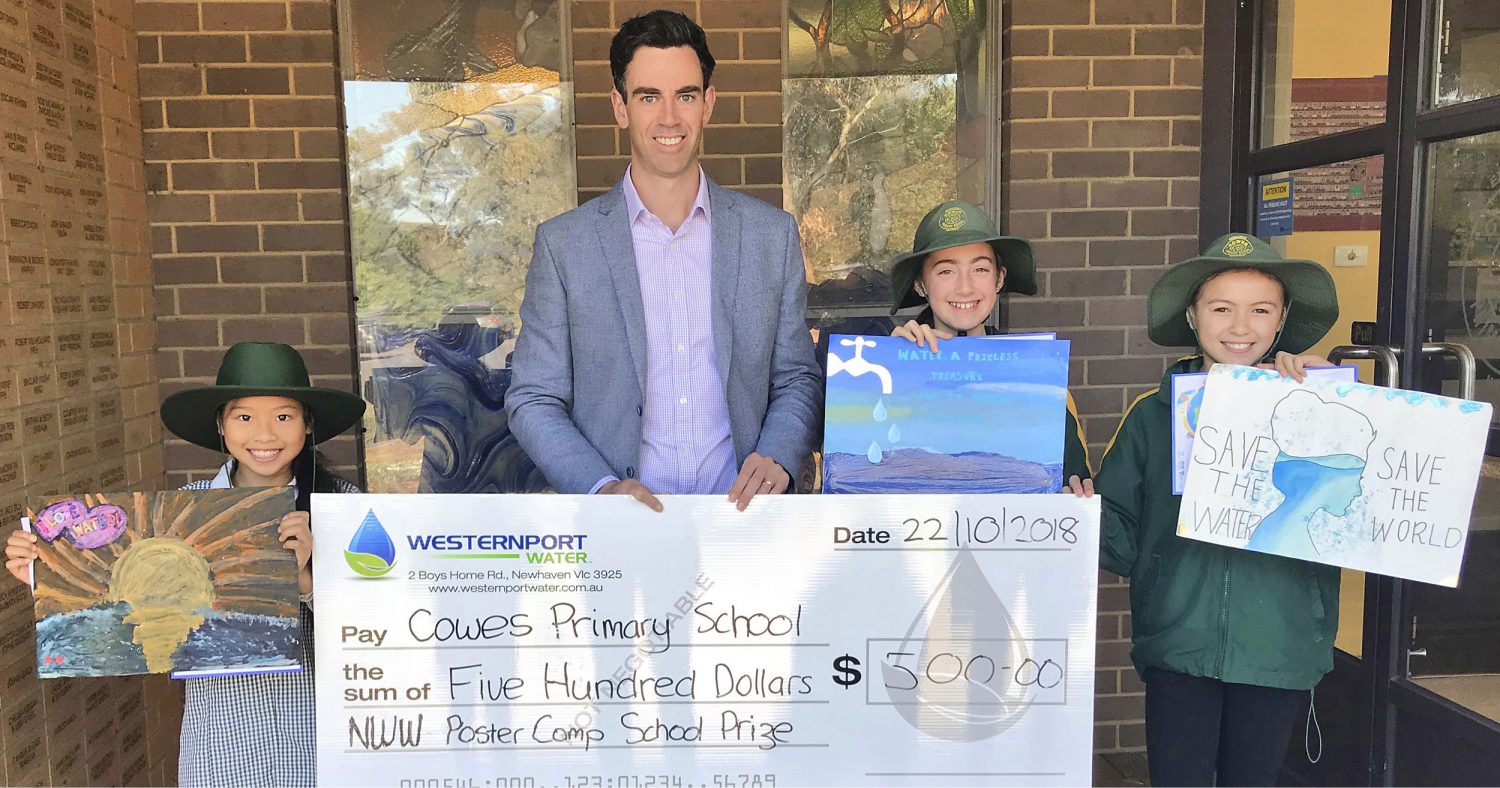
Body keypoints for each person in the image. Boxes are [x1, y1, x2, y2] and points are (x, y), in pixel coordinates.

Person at [7, 342, 367, 786]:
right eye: (244, 417)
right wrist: (45, 572)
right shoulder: (180, 517)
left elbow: (379, 632)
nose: (264, 435)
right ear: (221, 425)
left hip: (325, 744)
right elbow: (115, 599)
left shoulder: (343, 507)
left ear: (307, 424)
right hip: (223, 748)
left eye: (283, 416)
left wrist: (306, 580)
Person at [505, 10, 822, 511]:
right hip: (622, 528)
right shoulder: (564, 246)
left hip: (741, 521)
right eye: (648, 96)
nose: (670, 117)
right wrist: (600, 486)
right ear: (620, 107)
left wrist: (778, 454)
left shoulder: (771, 236)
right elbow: (533, 397)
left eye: (686, 96)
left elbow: (796, 377)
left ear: (708, 104)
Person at [1094, 234, 1340, 787]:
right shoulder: (1152, 417)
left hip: (1278, 640)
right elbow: (1120, 541)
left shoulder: (1321, 407)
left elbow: (1362, 515)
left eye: (1261, 310)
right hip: (1180, 643)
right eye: (1221, 308)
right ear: (1192, 315)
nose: (1240, 326)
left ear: (1281, 321)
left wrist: (1335, 398)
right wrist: (1077, 513)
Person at [887, 199, 1093, 490]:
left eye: (980, 269)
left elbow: (1073, 483)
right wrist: (892, 368)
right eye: (946, 271)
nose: (965, 287)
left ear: (999, 279)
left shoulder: (1038, 383)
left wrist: (1076, 497)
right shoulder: (890, 375)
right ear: (920, 284)